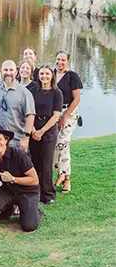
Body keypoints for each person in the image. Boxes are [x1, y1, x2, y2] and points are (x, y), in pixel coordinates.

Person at [0, 126, 41, 232]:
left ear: (6, 140)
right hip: (9, 190)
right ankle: (10, 208)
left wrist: (13, 179)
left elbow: (34, 180)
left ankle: (36, 209)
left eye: (0, 139)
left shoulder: (20, 155)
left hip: (27, 191)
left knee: (29, 226)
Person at [28, 65, 63, 205]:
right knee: (35, 162)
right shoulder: (32, 91)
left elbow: (56, 115)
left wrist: (41, 131)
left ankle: (48, 194)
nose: (44, 76)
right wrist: (33, 131)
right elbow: (28, 111)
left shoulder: (57, 93)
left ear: (52, 76)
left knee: (46, 163)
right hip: (34, 127)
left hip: (49, 130)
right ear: (38, 76)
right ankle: (35, 191)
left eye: (47, 74)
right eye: (42, 74)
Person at [53, 51, 82, 194]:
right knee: (57, 145)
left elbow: (76, 99)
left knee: (62, 143)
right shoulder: (51, 74)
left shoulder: (72, 76)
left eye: (63, 60)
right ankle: (63, 174)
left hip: (69, 113)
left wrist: (65, 116)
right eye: (58, 59)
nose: (60, 62)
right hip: (54, 114)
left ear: (67, 61)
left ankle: (65, 176)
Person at [0, 60, 36, 153]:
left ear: (16, 72)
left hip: (17, 141)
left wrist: (26, 138)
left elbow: (30, 116)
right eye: (5, 70)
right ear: (1, 71)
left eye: (11, 70)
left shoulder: (24, 93)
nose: (8, 73)